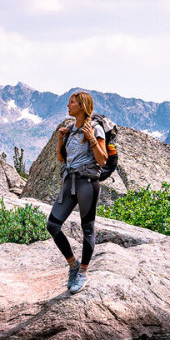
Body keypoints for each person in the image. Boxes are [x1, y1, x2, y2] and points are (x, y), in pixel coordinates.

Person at [47, 91, 108, 294]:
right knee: (53, 225)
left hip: (87, 184)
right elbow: (62, 159)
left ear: (81, 106)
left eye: (71, 103)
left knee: (87, 229)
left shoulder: (95, 129)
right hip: (70, 181)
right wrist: (59, 139)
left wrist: (91, 139)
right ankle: (73, 265)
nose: (68, 105)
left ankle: (82, 272)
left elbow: (102, 160)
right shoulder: (72, 128)